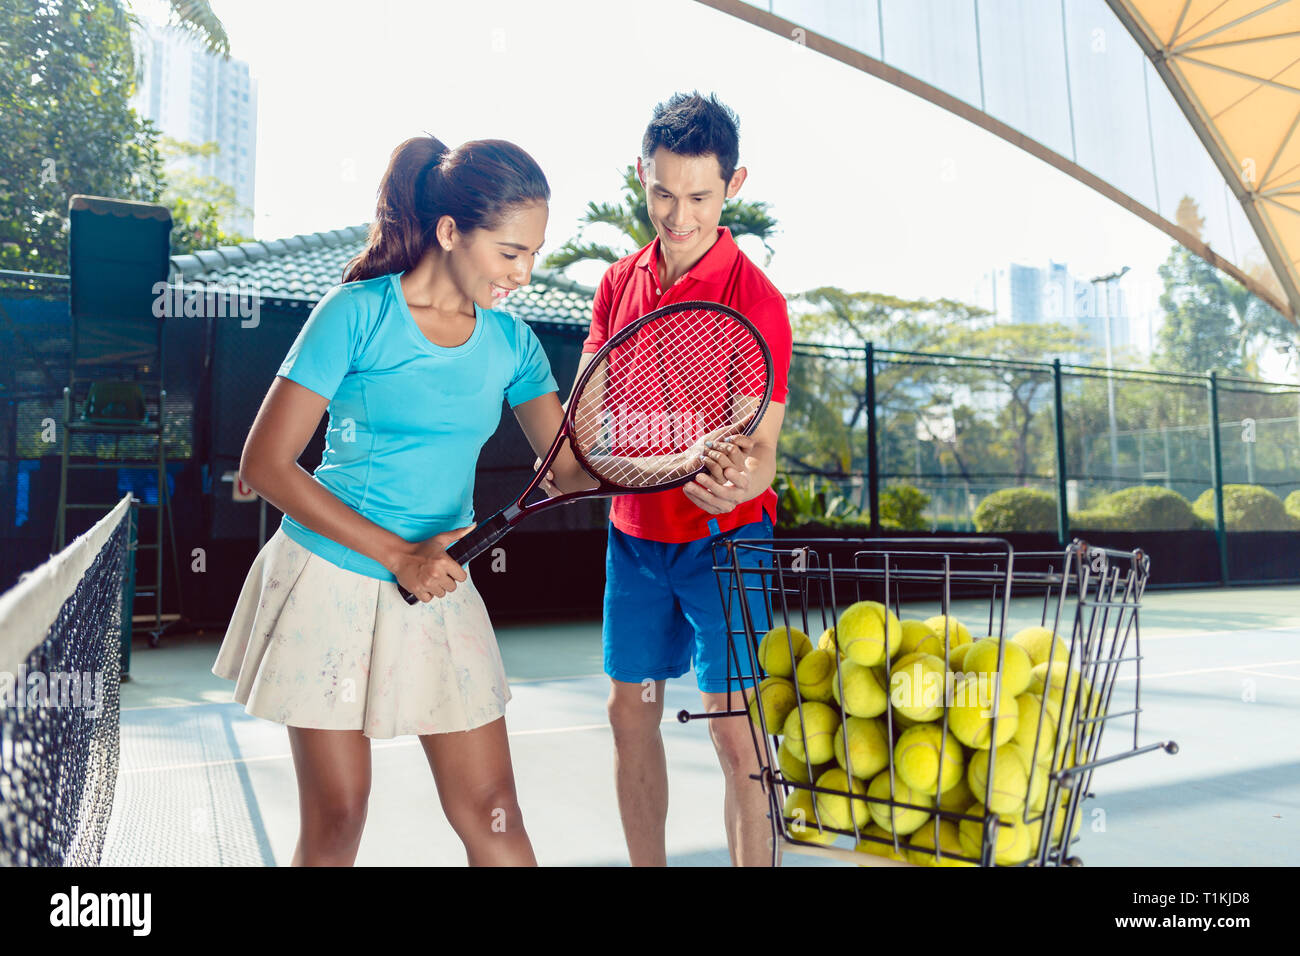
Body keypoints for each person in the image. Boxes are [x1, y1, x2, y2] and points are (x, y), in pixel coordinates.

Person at [212, 135, 586, 866]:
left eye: (535, 253)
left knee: (494, 811)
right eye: (510, 252)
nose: (525, 273)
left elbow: (569, 469)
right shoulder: (355, 313)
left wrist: (669, 461)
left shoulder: (514, 342)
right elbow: (266, 462)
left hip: (440, 584)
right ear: (450, 232)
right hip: (331, 577)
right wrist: (399, 554)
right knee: (339, 817)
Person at [547, 92, 792, 866]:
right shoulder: (617, 284)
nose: (678, 214)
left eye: (699, 196)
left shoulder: (760, 302)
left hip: (727, 545)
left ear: (734, 185)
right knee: (632, 714)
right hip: (636, 542)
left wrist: (737, 481)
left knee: (733, 727)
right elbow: (585, 426)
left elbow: (762, 453)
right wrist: (613, 466)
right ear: (641, 176)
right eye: (661, 192)